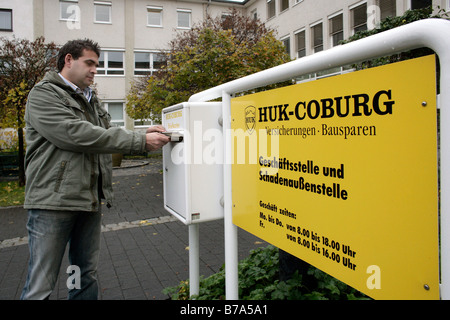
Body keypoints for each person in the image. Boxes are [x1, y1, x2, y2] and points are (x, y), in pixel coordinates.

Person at [20, 39, 170, 300]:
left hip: (87, 202)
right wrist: (139, 141)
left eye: (97, 65)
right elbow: (76, 134)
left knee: (82, 275)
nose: (94, 70)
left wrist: (140, 134)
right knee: (41, 284)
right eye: (89, 63)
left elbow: (103, 136)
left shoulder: (92, 100)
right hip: (52, 204)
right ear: (68, 60)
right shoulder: (43, 94)